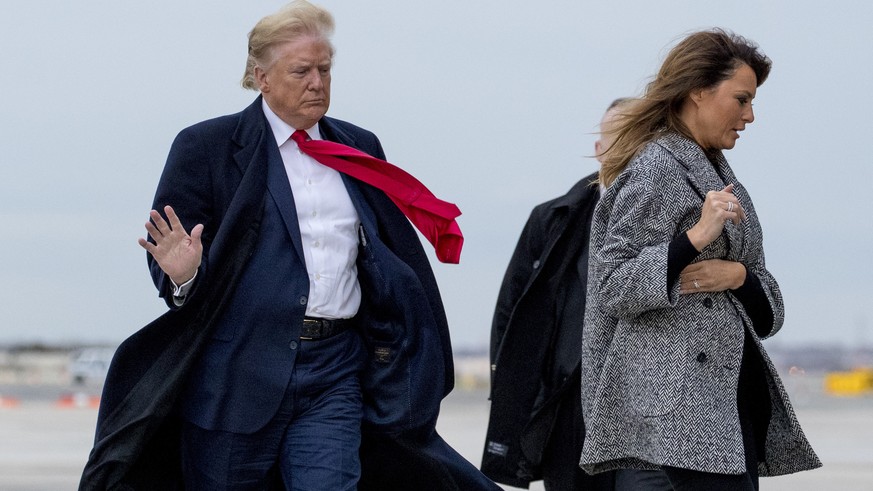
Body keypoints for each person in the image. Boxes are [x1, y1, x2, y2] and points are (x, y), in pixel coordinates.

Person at [80, 2, 499, 490]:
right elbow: (170, 267)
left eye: (324, 69)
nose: (317, 82)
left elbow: (388, 252)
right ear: (262, 77)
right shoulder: (206, 147)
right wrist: (184, 272)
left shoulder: (358, 146)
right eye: (301, 71)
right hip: (236, 377)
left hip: (335, 370)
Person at [579, 29, 821, 490]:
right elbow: (611, 286)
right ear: (698, 91)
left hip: (725, 402)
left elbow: (767, 302)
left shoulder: (716, 170)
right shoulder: (656, 169)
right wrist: (694, 238)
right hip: (682, 410)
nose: (751, 115)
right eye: (742, 99)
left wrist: (738, 275)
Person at [480, 99, 633, 490]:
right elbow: (511, 313)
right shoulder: (551, 218)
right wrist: (514, 396)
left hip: (641, 402)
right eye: (619, 140)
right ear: (599, 149)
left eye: (641, 141)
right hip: (566, 402)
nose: (630, 152)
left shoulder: (672, 216)